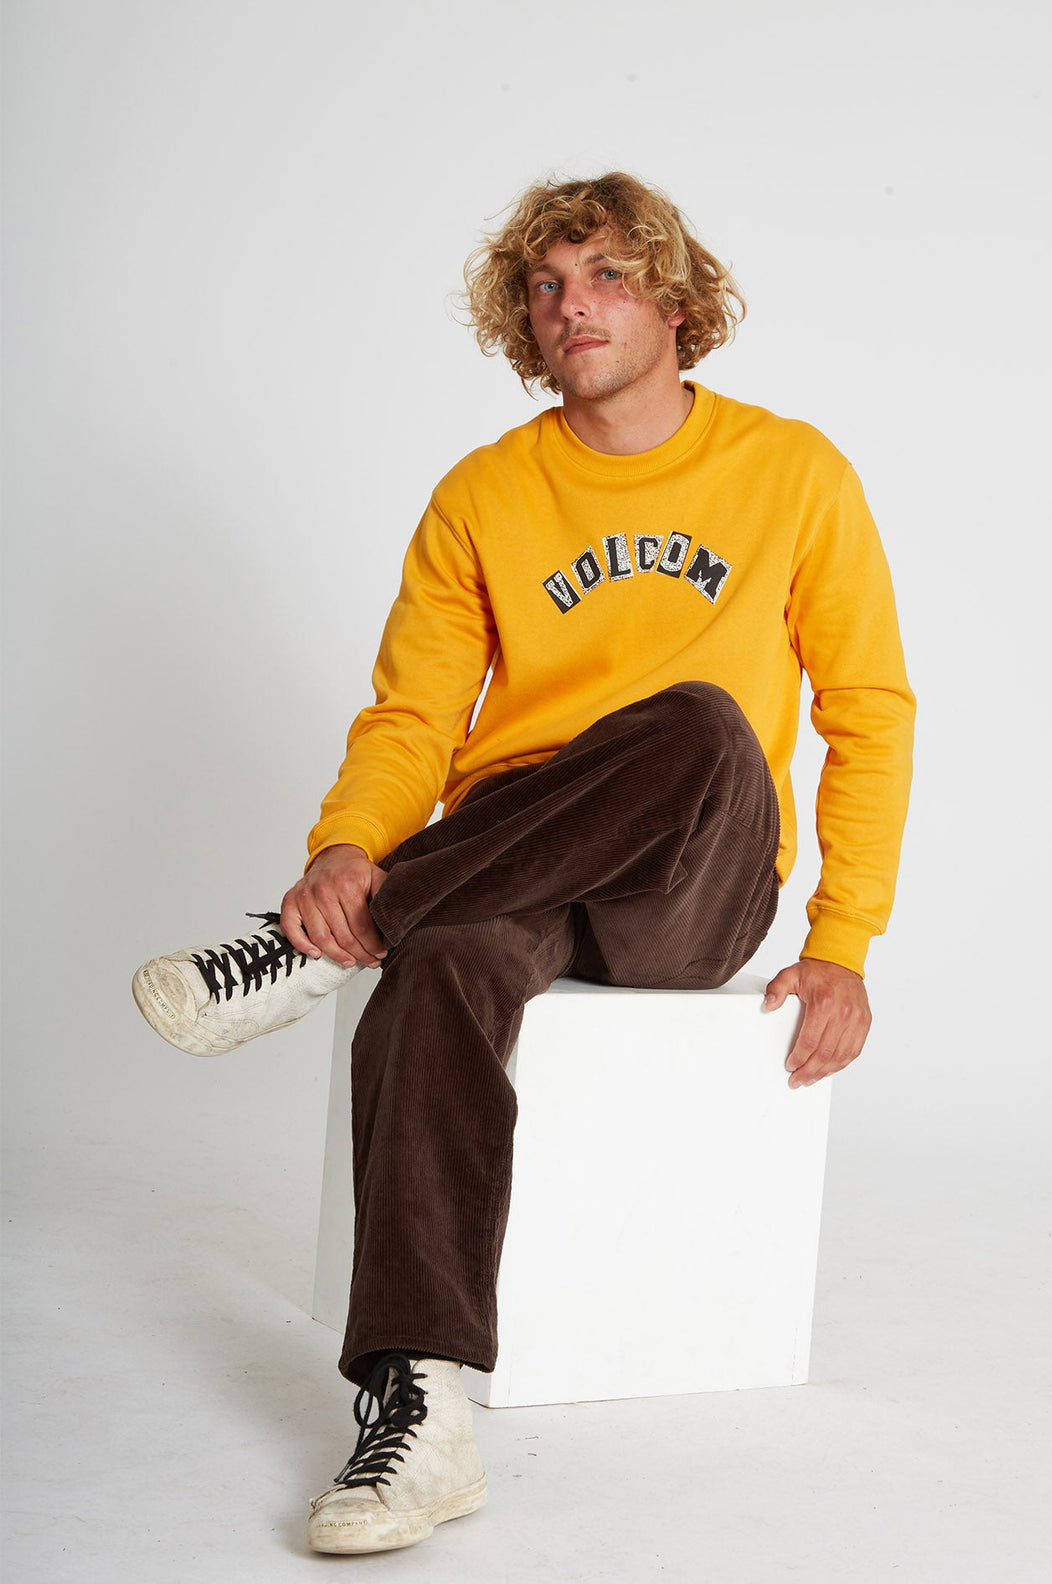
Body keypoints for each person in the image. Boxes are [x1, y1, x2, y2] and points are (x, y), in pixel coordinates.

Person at [132, 171, 915, 1555]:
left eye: (608, 275)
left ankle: (304, 952)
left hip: (692, 872)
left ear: (678, 303)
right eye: (547, 286)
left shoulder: (794, 471)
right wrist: (343, 849)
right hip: (514, 857)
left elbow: (869, 714)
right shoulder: (485, 493)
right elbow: (413, 718)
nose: (573, 306)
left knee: (699, 722)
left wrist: (842, 941)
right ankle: (419, 1406)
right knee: (436, 969)